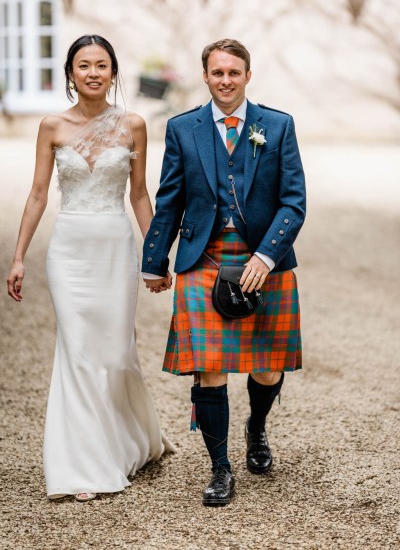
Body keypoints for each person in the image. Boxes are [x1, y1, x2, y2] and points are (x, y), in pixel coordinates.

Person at [7, 34, 174, 502]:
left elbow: (140, 195)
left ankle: (135, 439)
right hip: (69, 251)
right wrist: (19, 256)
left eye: (102, 65)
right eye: (84, 65)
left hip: (116, 249)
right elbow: (38, 194)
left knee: (117, 352)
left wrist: (155, 256)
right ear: (70, 73)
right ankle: (85, 463)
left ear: (113, 73)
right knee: (78, 351)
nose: (94, 72)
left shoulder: (134, 125)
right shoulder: (51, 126)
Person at [142, 39, 306, 506]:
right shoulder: (182, 128)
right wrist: (155, 261)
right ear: (206, 76)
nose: (226, 80)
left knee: (268, 367)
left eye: (234, 72)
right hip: (204, 257)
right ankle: (220, 468)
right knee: (209, 369)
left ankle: (256, 430)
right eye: (217, 73)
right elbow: (170, 197)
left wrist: (265, 257)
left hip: (264, 259)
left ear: (248, 75)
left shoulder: (277, 125)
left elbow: (294, 203)